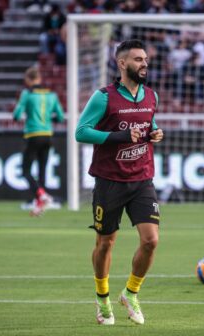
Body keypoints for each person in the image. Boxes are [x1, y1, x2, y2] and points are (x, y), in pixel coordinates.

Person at [75, 39, 164, 325]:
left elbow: (147, 124)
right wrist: (119, 137)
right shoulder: (103, 97)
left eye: (146, 60)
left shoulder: (151, 96)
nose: (144, 64)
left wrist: (155, 132)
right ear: (122, 63)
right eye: (138, 59)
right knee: (105, 243)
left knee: (151, 241)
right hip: (109, 181)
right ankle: (102, 299)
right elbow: (81, 132)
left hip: (142, 178)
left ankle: (131, 293)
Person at [13, 66, 65, 216]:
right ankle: (39, 206)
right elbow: (60, 117)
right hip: (47, 134)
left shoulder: (27, 94)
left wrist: (26, 116)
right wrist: (48, 119)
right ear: (39, 79)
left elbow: (16, 115)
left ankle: (42, 196)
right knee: (42, 170)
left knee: (25, 170)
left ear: (28, 80)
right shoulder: (52, 95)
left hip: (32, 135)